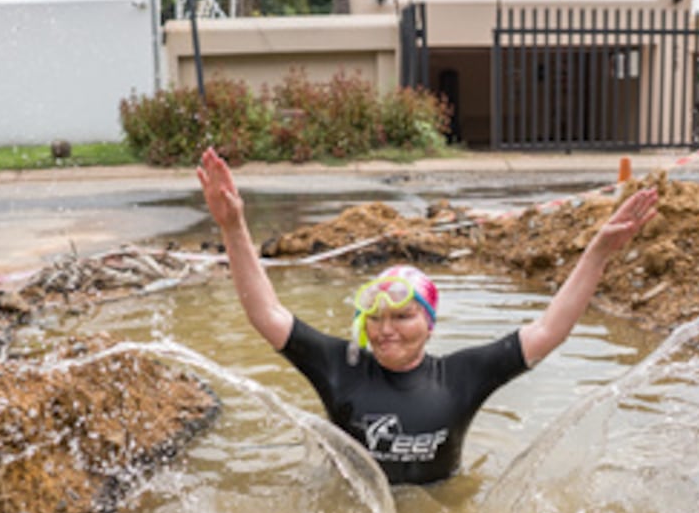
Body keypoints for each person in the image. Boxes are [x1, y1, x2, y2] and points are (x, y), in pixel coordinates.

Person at [197, 147, 658, 485]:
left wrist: (597, 252)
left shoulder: (461, 376)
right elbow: (266, 312)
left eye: (402, 317)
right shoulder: (340, 365)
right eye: (375, 317)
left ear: (430, 323)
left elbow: (549, 330)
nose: (385, 329)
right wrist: (233, 226)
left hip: (439, 510)